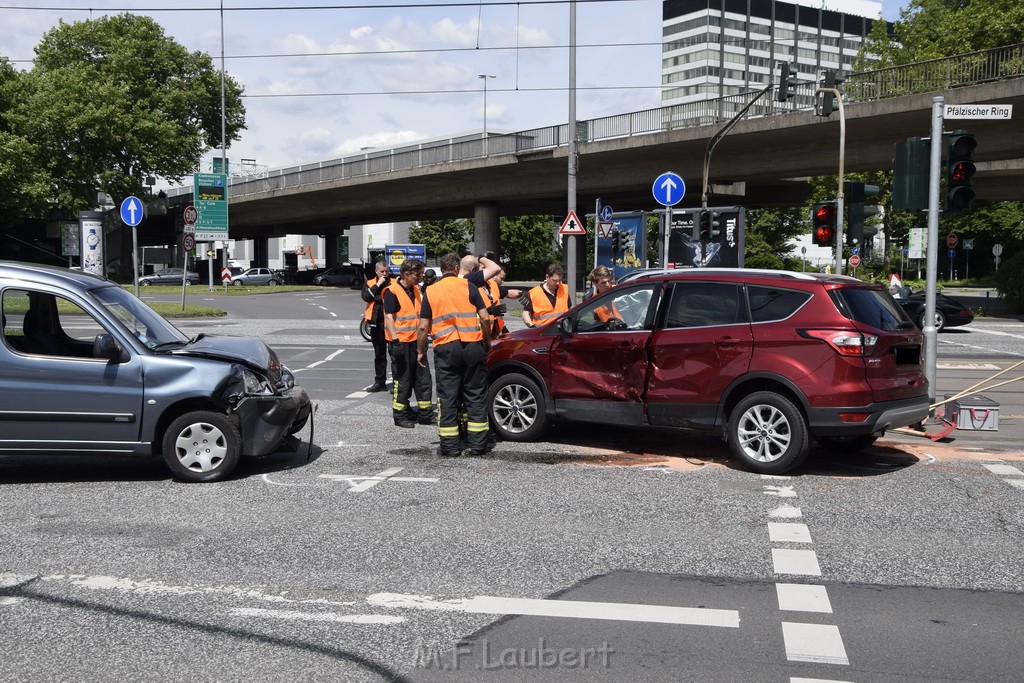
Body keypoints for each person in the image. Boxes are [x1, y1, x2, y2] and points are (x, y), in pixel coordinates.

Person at [417, 252, 491, 457]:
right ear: (457, 269)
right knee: (475, 394)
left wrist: (420, 351)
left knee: (448, 396)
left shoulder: (431, 291)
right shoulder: (469, 286)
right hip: (473, 346)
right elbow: (485, 318)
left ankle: (450, 447)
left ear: (442, 270)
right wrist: (486, 341)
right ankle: (478, 445)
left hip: (446, 348)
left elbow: (423, 327)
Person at [383, 259, 434, 428]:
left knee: (423, 379)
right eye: (418, 274)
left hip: (416, 341)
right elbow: (389, 317)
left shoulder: (416, 290)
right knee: (402, 380)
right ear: (406, 274)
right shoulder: (392, 291)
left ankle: (425, 414)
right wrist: (395, 340)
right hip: (401, 343)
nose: (421, 277)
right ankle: (400, 415)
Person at [360, 260, 390, 392]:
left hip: (391, 323)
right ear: (376, 271)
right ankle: (380, 382)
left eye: (386, 271)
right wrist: (378, 285)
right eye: (382, 271)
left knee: (395, 355)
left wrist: (377, 297)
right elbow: (366, 296)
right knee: (379, 354)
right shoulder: (370, 283)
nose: (384, 274)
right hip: (376, 322)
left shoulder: (393, 282)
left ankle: (397, 384)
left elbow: (392, 299)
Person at [521, 263, 570, 328]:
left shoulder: (564, 289)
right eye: (555, 280)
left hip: (561, 332)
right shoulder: (534, 293)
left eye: (559, 280)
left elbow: (569, 310)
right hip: (542, 333)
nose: (558, 283)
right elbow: (525, 313)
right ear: (547, 277)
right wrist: (532, 327)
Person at [479, 266, 522, 339]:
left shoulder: (493, 286)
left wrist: (524, 293)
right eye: (501, 278)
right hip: (482, 330)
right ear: (493, 275)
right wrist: (489, 310)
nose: (502, 281)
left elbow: (508, 292)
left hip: (494, 329)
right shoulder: (475, 286)